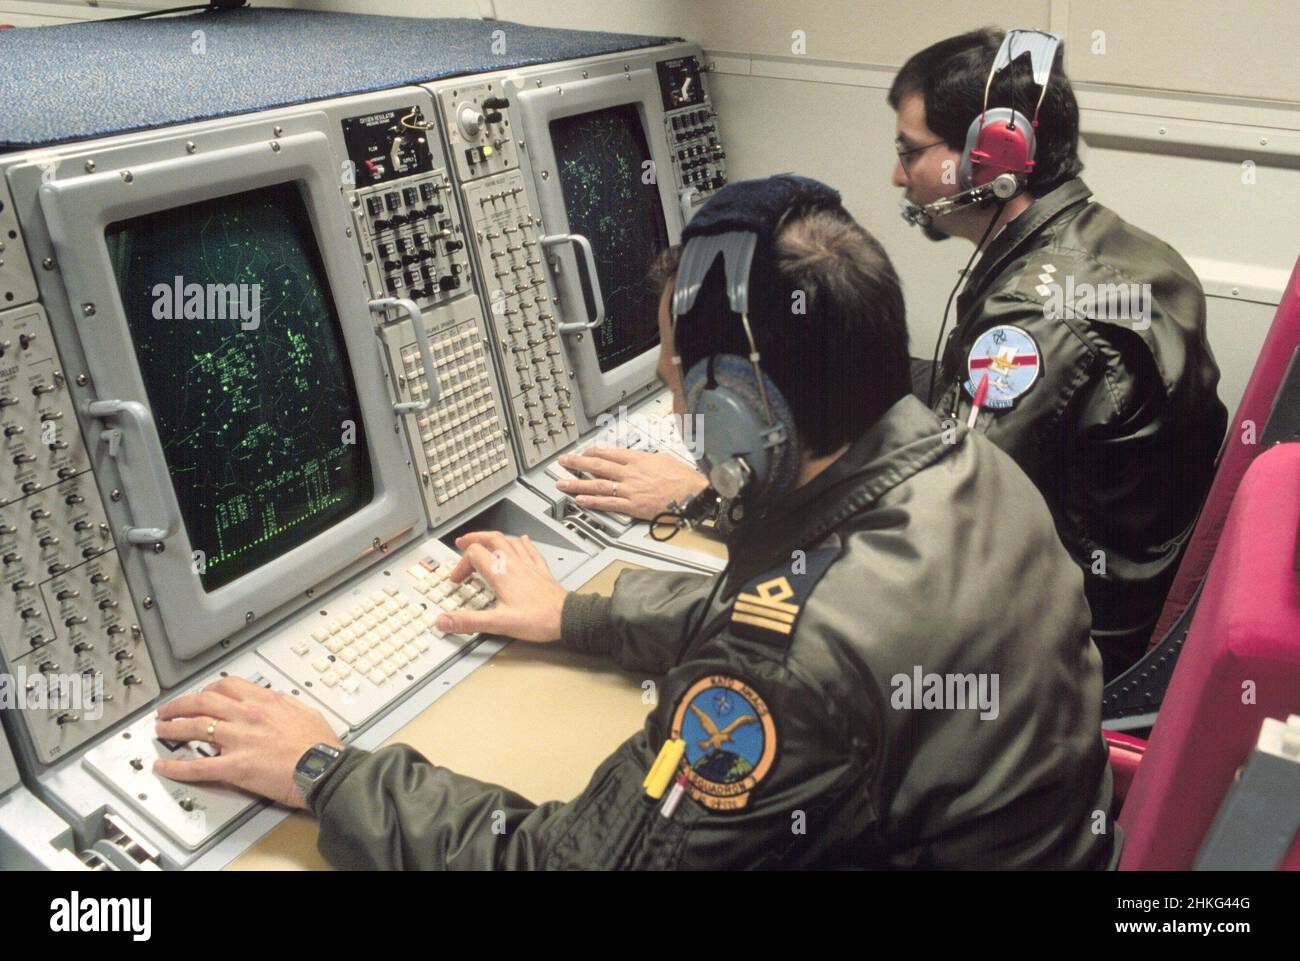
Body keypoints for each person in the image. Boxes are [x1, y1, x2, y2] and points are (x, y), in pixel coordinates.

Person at [153, 176, 1117, 869]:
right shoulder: (962, 461)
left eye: (676, 378)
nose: (674, 402)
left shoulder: (786, 669)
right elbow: (794, 622)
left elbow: (567, 863)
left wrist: (323, 771)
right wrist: (578, 616)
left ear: (740, 410)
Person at [567, 28, 1228, 681]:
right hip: (1112, 595)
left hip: (1068, 657)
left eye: (910, 152)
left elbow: (915, 554)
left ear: (991, 158)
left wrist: (712, 493)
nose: (896, 174)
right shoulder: (1113, 251)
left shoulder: (1032, 321)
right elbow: (970, 409)